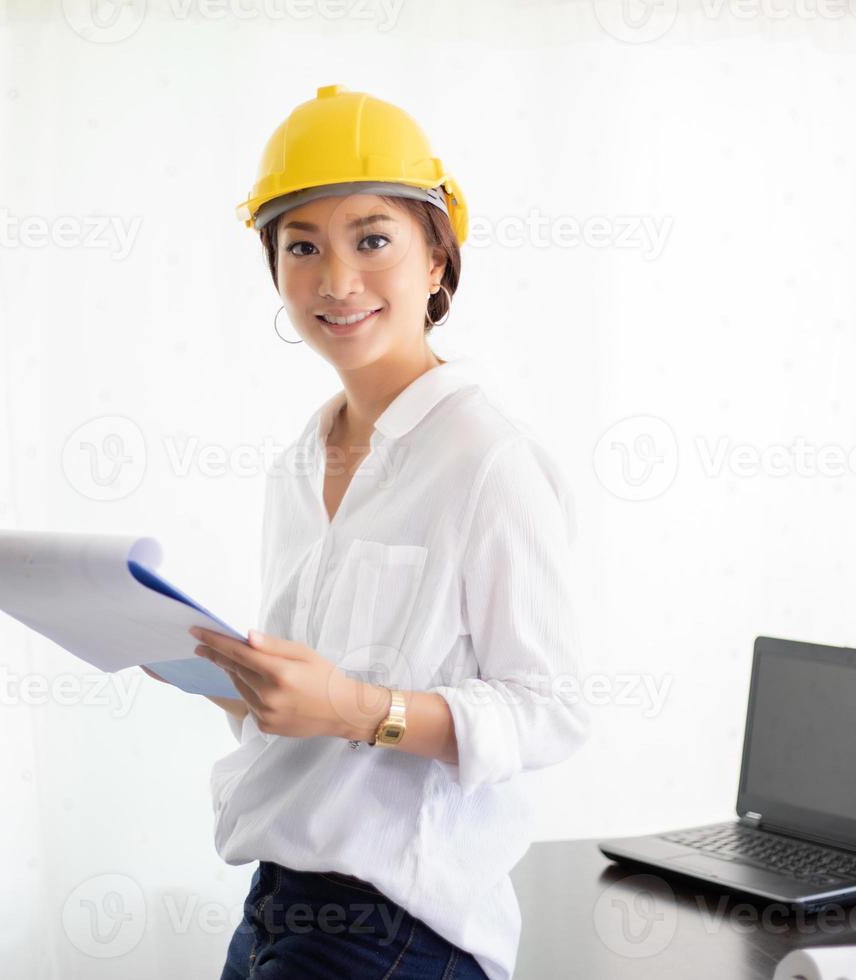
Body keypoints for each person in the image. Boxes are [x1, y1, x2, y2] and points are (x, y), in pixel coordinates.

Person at [188, 84, 588, 980]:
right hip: (275, 907)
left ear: (438, 260)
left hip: (405, 933)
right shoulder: (298, 464)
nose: (337, 280)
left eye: (373, 239)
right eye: (303, 246)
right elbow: (315, 712)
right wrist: (234, 684)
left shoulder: (489, 460)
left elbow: (552, 710)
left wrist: (357, 711)